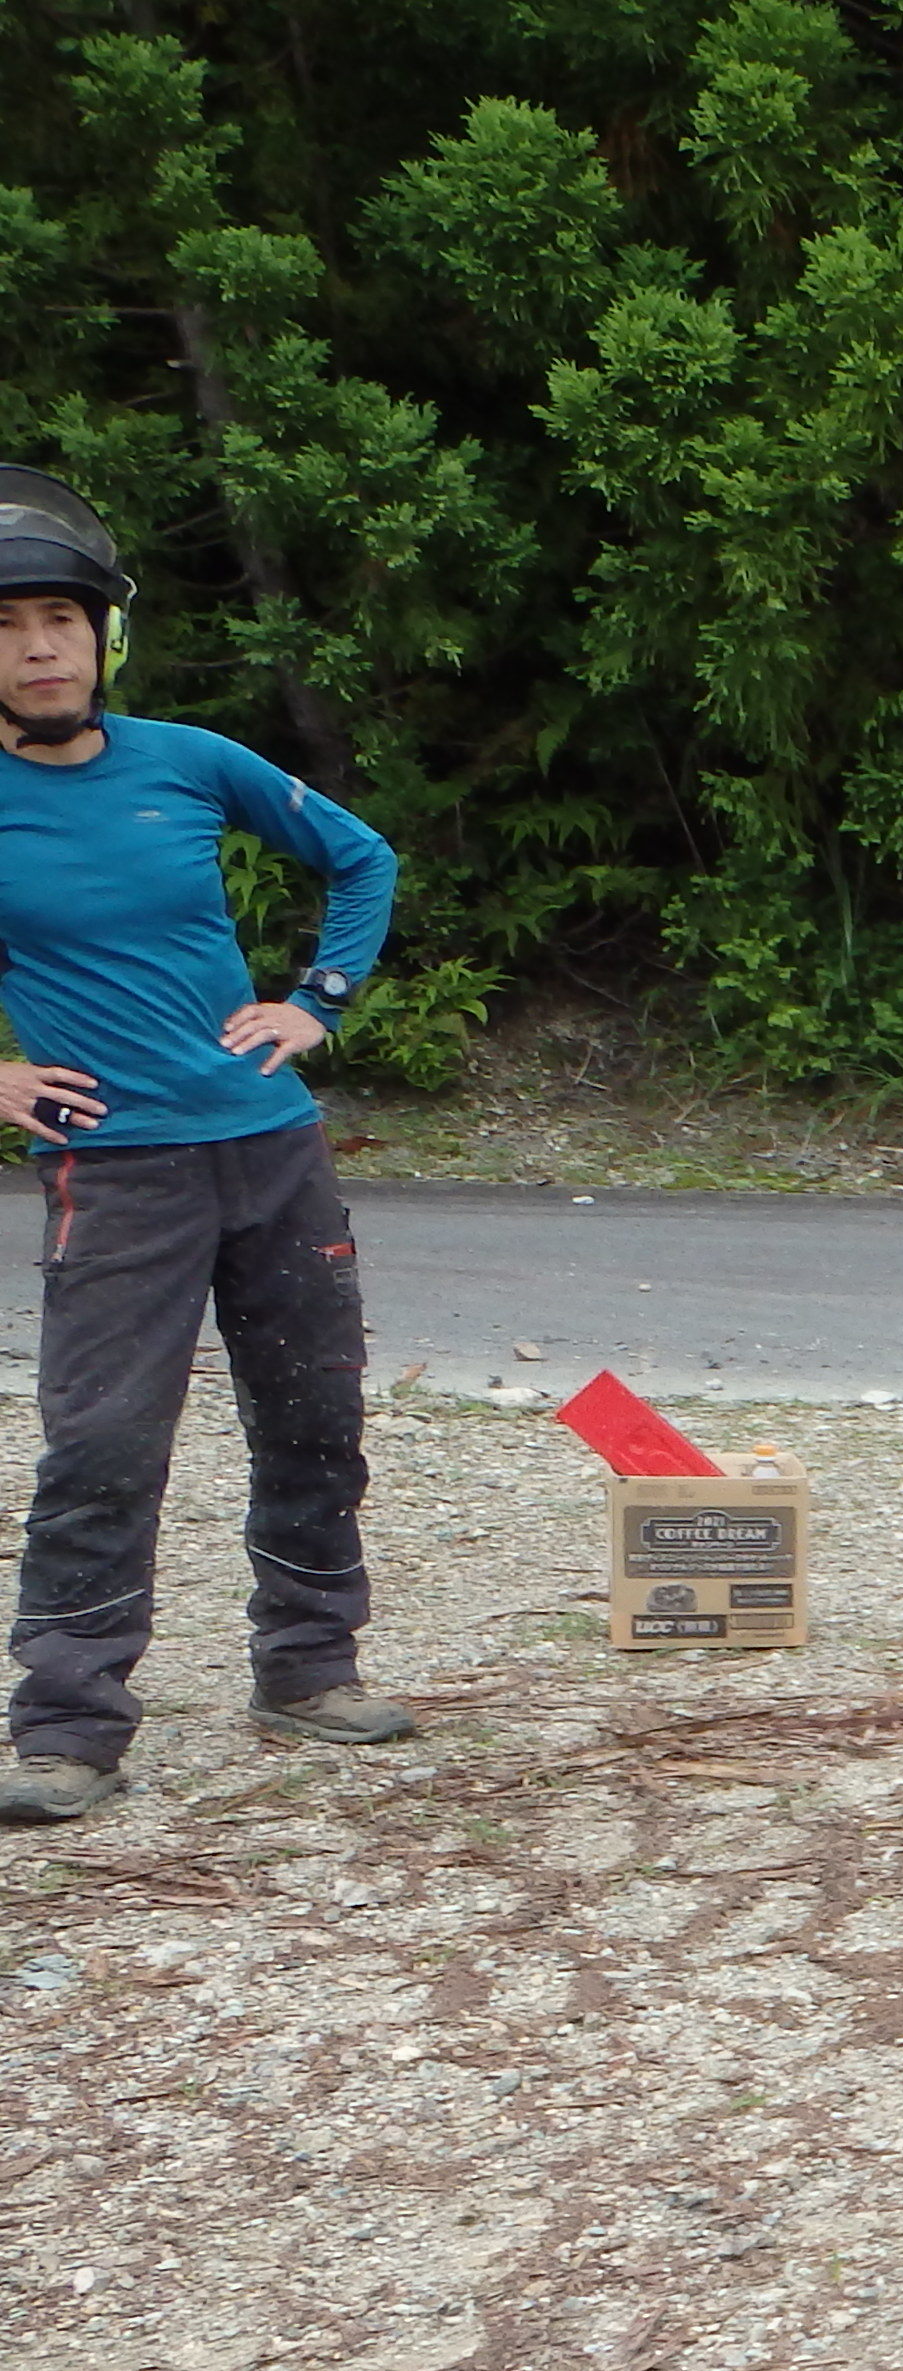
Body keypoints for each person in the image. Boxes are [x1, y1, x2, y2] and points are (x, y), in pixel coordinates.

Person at [0, 466, 407, 1823]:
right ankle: (67, 1727)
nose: (38, 645)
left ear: (102, 634)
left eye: (58, 617)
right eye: (6, 625)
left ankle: (307, 1666)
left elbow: (363, 859)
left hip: (273, 1148)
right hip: (115, 1173)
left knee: (313, 1416)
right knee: (102, 1443)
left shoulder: (190, 760)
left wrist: (316, 1004)